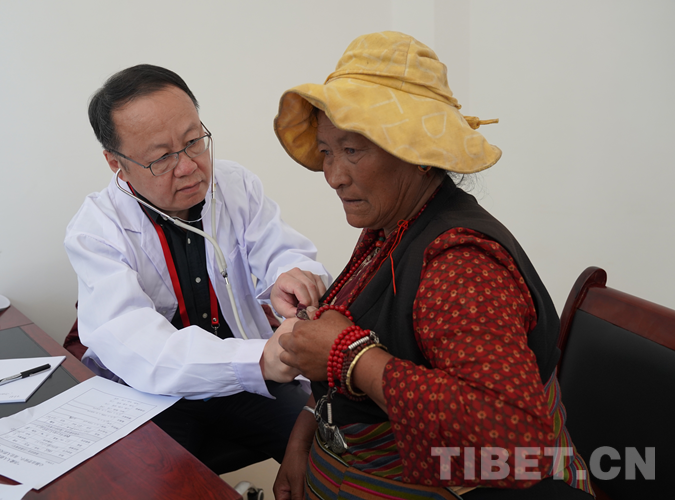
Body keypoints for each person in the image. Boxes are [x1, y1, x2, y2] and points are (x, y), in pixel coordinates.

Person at [271, 32, 594, 499]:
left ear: (418, 155)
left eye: (353, 150)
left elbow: (510, 433)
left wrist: (348, 355)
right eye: (326, 151)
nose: (334, 176)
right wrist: (303, 434)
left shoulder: (460, 264)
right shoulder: (392, 225)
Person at [64, 64, 331, 474]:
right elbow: (142, 349)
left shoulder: (235, 185)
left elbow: (283, 250)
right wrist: (259, 359)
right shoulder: (96, 230)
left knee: (329, 455)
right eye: (161, 158)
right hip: (150, 394)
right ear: (116, 163)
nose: (188, 166)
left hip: (244, 380)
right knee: (154, 483)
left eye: (193, 142)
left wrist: (291, 277)